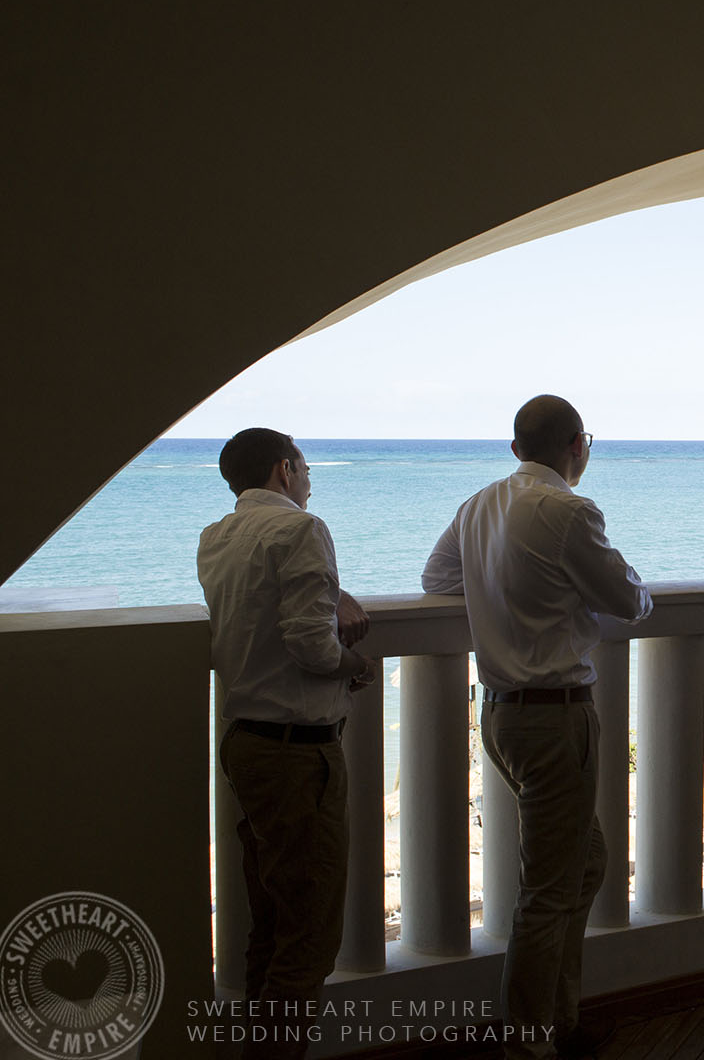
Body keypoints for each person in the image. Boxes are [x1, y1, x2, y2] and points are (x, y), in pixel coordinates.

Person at [422, 395, 652, 1060]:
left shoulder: (480, 505)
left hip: (499, 714)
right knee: (550, 888)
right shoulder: (569, 511)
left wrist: (503, 595)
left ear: (516, 447)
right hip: (556, 719)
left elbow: (437, 578)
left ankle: (558, 1016)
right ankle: (530, 1042)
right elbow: (628, 599)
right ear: (579, 446)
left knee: (586, 864)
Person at [199, 428, 377, 1060]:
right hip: (298, 754)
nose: (309, 479)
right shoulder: (302, 528)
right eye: (304, 467)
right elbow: (308, 642)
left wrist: (337, 593)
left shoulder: (217, 536)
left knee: (271, 922)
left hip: (245, 741)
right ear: (284, 470)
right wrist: (353, 666)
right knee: (308, 934)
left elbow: (267, 607)